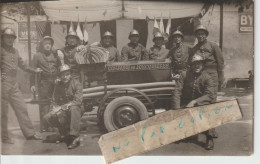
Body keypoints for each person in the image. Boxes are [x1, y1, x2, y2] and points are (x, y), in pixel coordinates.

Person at [1, 28, 43, 144]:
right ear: (2, 38)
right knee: (3, 112)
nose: (9, 39)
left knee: (22, 108)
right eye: (7, 37)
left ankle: (30, 134)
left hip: (13, 83)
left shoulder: (15, 51)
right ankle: (4, 137)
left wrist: (34, 70)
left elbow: (23, 65)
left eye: (11, 37)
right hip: (2, 84)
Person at [181, 54, 217, 150]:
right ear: (191, 66)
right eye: (194, 64)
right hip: (187, 102)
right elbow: (177, 91)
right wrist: (177, 107)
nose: (197, 66)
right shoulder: (185, 75)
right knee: (178, 110)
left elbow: (209, 95)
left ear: (202, 65)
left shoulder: (207, 77)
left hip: (202, 102)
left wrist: (194, 102)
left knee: (207, 112)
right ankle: (188, 132)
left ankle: (209, 137)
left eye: (199, 64)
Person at [43, 64, 83, 149]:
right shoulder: (58, 86)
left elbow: (78, 101)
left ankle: (75, 137)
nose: (65, 77)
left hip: (76, 109)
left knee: (74, 108)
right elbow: (54, 101)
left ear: (71, 74)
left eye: (67, 74)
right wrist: (54, 109)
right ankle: (64, 134)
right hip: (64, 111)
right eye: (63, 75)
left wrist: (61, 107)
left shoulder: (76, 83)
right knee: (47, 117)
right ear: (60, 76)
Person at [31, 36, 60, 132]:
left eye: (49, 43)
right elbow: (32, 71)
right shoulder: (37, 56)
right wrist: (32, 85)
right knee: (44, 104)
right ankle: (45, 126)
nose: (48, 45)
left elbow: (59, 67)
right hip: (43, 82)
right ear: (42, 45)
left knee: (55, 103)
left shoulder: (55, 55)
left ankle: (54, 124)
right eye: (45, 43)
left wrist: (59, 78)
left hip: (55, 82)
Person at [191, 25, 224, 95]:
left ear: (206, 35)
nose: (200, 36)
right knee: (202, 94)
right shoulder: (194, 49)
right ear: (196, 36)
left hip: (212, 73)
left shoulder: (213, 45)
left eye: (203, 34)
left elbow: (220, 61)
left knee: (212, 94)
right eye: (199, 34)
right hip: (201, 75)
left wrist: (221, 76)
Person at [168, 30, 191, 109]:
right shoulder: (171, 50)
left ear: (181, 38)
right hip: (177, 74)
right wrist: (172, 74)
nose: (177, 39)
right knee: (177, 92)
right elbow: (169, 63)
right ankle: (177, 109)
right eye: (175, 37)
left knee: (188, 91)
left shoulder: (188, 48)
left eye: (178, 37)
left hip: (187, 72)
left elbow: (192, 60)